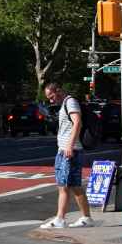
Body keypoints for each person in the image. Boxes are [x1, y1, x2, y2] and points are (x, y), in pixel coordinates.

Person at [40, 82, 95, 229]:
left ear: (58, 90)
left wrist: (69, 146)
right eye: (49, 98)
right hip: (67, 150)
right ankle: (86, 217)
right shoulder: (67, 103)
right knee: (74, 185)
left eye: (51, 96)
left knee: (63, 186)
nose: (51, 100)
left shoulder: (70, 102)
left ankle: (60, 219)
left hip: (69, 151)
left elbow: (77, 123)